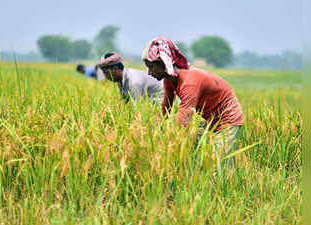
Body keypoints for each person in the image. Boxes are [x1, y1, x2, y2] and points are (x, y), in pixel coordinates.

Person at [142, 37, 244, 166]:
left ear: (163, 64)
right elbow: (166, 107)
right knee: (192, 154)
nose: (149, 72)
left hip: (228, 119)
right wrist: (154, 129)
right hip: (210, 119)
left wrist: (164, 138)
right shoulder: (169, 79)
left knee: (219, 166)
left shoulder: (190, 82)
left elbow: (185, 117)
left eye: (151, 67)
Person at [96, 52, 164, 104]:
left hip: (162, 104)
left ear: (115, 69)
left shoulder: (134, 82)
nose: (106, 77)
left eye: (106, 73)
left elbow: (137, 108)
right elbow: (126, 103)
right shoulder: (120, 80)